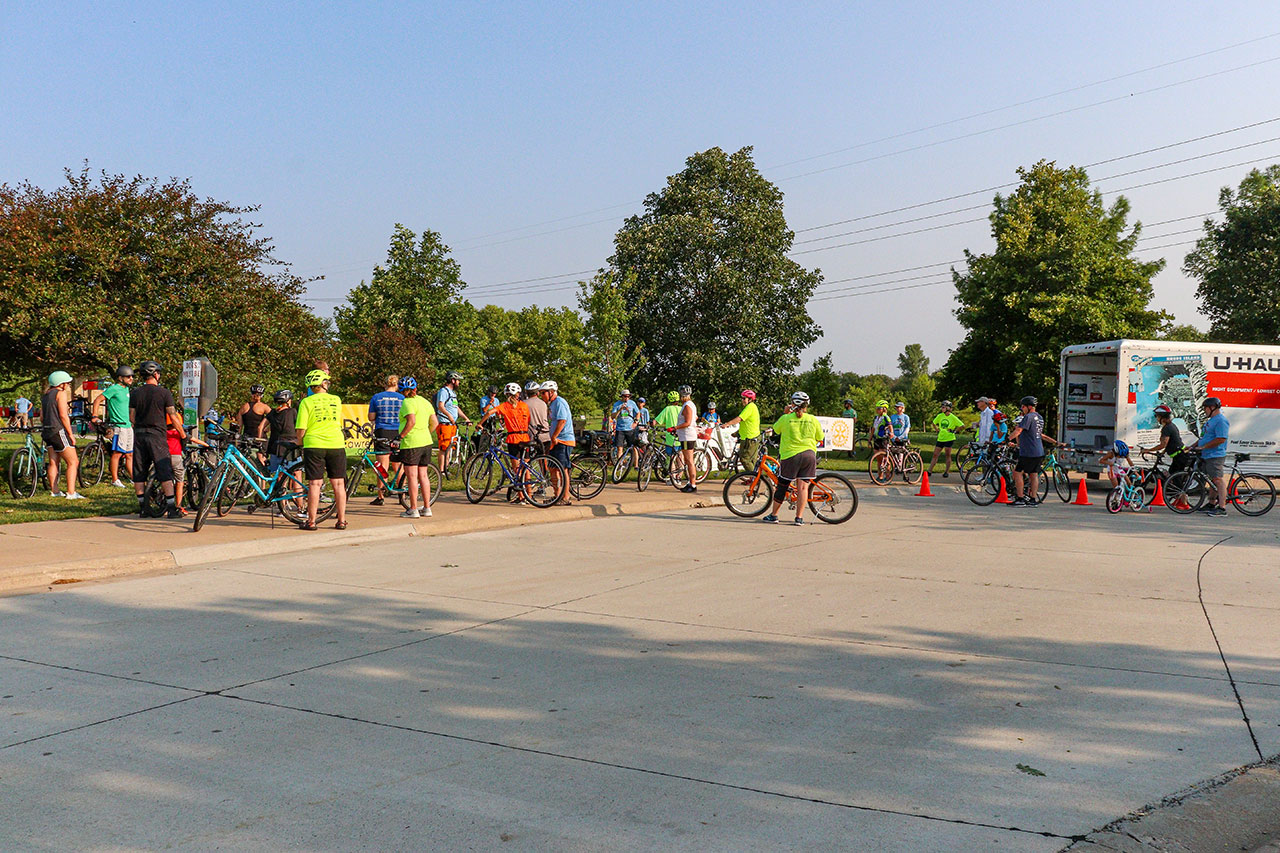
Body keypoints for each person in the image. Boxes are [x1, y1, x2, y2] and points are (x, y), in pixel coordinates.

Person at [294, 368, 348, 530]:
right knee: (338, 483)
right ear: (323, 383)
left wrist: (299, 442)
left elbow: (301, 430)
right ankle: (342, 520)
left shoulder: (306, 402)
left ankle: (311, 521)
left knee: (315, 484)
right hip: (336, 443)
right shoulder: (336, 400)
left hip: (314, 444)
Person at [129, 361, 184, 518]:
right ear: (155, 374)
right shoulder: (164, 393)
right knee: (164, 471)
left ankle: (143, 508)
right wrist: (182, 434)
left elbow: (131, 416)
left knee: (139, 472)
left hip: (139, 435)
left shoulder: (135, 393)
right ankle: (172, 508)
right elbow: (173, 417)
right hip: (157, 436)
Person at [762, 392, 824, 526]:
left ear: (792, 404)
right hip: (809, 455)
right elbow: (820, 437)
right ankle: (799, 518)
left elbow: (775, 430)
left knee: (782, 485)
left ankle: (774, 515)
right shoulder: (812, 419)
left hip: (791, 456)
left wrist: (785, 413)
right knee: (803, 488)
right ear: (806, 405)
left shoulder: (786, 418)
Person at [396, 376, 438, 519]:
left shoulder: (407, 403)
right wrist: (425, 432)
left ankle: (413, 508)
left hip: (411, 443)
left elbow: (411, 421)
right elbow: (435, 422)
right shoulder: (425, 402)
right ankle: (427, 507)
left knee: (412, 476)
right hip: (426, 442)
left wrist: (400, 436)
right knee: (423, 475)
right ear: (416, 388)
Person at [1007, 396, 1058, 507]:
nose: (1022, 409)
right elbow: (1040, 434)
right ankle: (1033, 499)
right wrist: (1055, 442)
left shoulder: (1028, 417)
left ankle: (1020, 498)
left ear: (1029, 407)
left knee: (1017, 473)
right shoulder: (1039, 417)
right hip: (1038, 451)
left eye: (1023, 406)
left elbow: (1018, 430)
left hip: (1028, 451)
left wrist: (1008, 439)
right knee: (1033, 474)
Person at [42, 371, 84, 500]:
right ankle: (71, 492)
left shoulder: (46, 395)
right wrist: (70, 434)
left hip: (47, 432)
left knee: (53, 462)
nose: (68, 385)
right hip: (58, 430)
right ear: (61, 383)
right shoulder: (60, 394)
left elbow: (43, 417)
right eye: (67, 383)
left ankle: (55, 491)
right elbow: (63, 415)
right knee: (73, 462)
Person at [1189, 397, 1230, 517]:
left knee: (1218, 480)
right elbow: (1203, 438)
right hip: (1207, 454)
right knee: (1212, 480)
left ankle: (1222, 508)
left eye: (1205, 408)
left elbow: (1221, 438)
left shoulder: (1220, 421)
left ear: (1212, 408)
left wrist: (1204, 447)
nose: (1204, 411)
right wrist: (1192, 447)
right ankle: (1211, 504)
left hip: (1215, 455)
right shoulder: (1210, 421)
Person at [368, 375, 405, 505]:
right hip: (398, 432)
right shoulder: (402, 398)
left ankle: (380, 495)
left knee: (382, 465)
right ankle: (402, 494)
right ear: (397, 385)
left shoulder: (376, 397)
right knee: (398, 464)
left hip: (382, 430)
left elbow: (371, 417)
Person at [99, 365, 135, 487]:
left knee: (130, 454)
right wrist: (94, 415)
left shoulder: (126, 390)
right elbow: (98, 399)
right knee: (117, 453)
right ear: (120, 378)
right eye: (128, 376)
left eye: (132, 376)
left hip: (128, 426)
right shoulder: (113, 389)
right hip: (119, 426)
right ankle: (115, 479)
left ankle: (133, 478)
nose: (131, 378)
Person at [541, 380, 574, 505]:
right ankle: (557, 495)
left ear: (551, 392)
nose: (541, 395)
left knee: (563, 469)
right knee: (552, 467)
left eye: (543, 393)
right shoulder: (552, 404)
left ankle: (565, 497)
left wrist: (554, 436)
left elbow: (562, 421)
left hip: (563, 440)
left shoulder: (560, 402)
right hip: (555, 440)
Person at [435, 371, 473, 475]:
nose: (459, 383)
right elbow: (440, 406)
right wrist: (450, 416)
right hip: (445, 423)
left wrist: (466, 418)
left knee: (450, 448)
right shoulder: (443, 391)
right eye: (458, 381)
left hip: (452, 425)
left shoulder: (453, 394)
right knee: (444, 448)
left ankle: (446, 468)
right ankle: (442, 471)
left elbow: (456, 408)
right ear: (452, 380)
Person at [1139, 404, 1188, 476]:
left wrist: (1147, 450)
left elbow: (1163, 444)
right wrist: (1163, 452)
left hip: (1179, 456)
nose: (1156, 418)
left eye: (1156, 416)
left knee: (1175, 478)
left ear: (1161, 417)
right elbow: (1171, 442)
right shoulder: (1171, 425)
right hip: (1180, 454)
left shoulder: (1167, 428)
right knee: (1173, 475)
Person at [721, 390, 761, 470]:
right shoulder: (749, 407)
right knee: (751, 461)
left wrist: (727, 424)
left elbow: (739, 419)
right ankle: (752, 478)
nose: (742, 400)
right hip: (747, 437)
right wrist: (737, 433)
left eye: (744, 398)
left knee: (745, 460)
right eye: (742, 398)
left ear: (749, 399)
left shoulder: (750, 407)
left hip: (750, 439)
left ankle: (754, 479)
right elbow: (746, 424)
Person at [672, 385, 700, 493]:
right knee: (688, 461)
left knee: (689, 461)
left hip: (687, 436)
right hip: (685, 435)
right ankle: (690, 482)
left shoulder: (688, 405)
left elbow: (688, 422)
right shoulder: (689, 405)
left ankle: (693, 485)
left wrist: (675, 427)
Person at [928, 401, 965, 478]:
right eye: (942, 407)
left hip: (949, 438)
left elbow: (962, 425)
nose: (942, 409)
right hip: (941, 438)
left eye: (944, 407)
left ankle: (946, 471)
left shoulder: (953, 417)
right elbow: (934, 423)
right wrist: (937, 430)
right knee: (935, 454)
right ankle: (929, 471)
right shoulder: (940, 416)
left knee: (947, 454)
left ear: (948, 408)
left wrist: (954, 431)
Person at [265, 390, 297, 473]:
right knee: (296, 473)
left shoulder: (272, 413)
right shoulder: (292, 412)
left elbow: (261, 427)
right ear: (288, 401)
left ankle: (281, 486)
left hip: (275, 447)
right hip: (290, 446)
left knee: (278, 474)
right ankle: (296, 486)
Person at [611, 389, 641, 469]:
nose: (627, 398)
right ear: (622, 397)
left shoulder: (632, 403)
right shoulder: (617, 404)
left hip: (630, 428)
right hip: (620, 428)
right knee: (619, 447)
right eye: (625, 396)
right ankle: (620, 465)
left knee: (633, 447)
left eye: (628, 396)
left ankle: (636, 465)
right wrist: (620, 409)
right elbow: (613, 416)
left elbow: (638, 413)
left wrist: (636, 422)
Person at [165, 415, 187, 515]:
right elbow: (193, 439)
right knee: (180, 481)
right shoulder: (178, 433)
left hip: (164, 457)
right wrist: (205, 445)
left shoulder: (163, 433)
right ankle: (178, 505)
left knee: (165, 479)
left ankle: (163, 500)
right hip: (176, 458)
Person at [523, 380, 549, 450]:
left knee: (525, 458)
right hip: (546, 435)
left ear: (526, 393)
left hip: (533, 436)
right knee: (544, 458)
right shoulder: (543, 403)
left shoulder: (523, 404)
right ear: (537, 393)